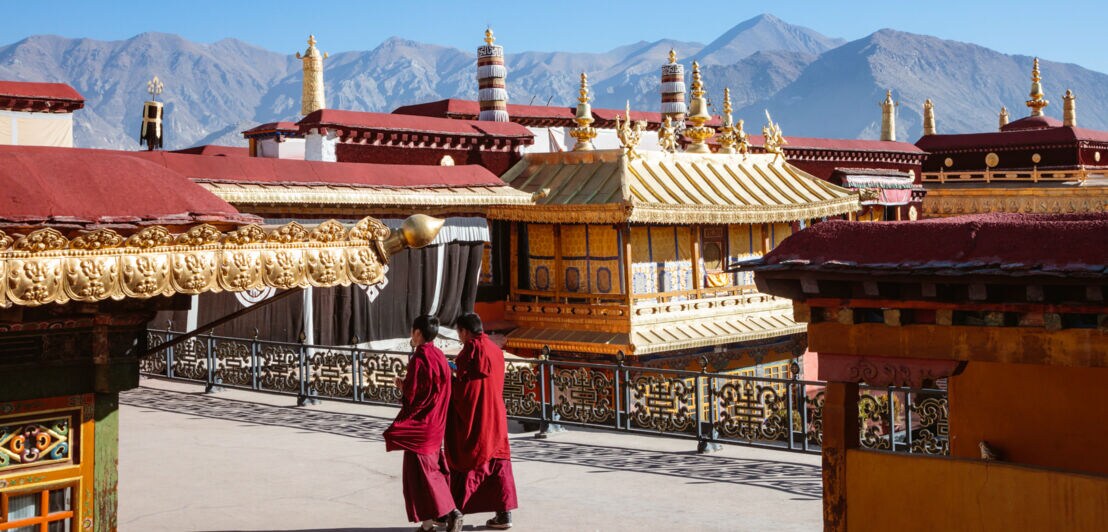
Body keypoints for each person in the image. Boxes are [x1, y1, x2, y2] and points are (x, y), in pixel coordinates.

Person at [383, 315, 463, 532]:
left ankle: (450, 512)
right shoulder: (439, 356)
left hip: (420, 427)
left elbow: (414, 396)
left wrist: (402, 387)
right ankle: (432, 523)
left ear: (418, 333)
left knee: (420, 477)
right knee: (432, 472)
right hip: (437, 424)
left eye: (413, 330)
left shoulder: (419, 359)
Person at [446, 313, 518, 529]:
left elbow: (466, 391)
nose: (459, 337)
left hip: (476, 417)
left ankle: (454, 511)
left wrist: (450, 379)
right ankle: (504, 515)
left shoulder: (471, 350)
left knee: (467, 459)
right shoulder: (495, 350)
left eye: (459, 332)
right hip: (496, 414)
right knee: (498, 463)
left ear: (465, 332)